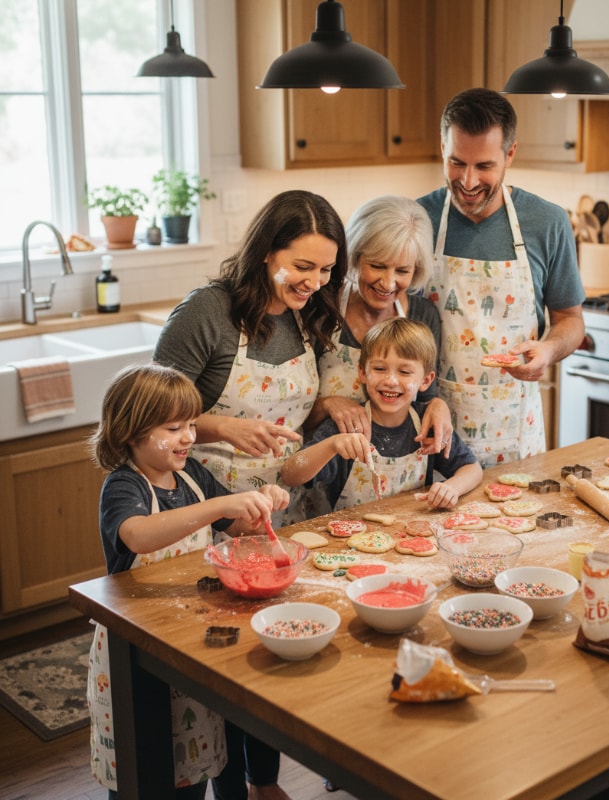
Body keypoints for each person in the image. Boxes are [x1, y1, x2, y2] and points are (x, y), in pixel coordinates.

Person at [153, 189, 348, 800]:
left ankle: (263, 781)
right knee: (217, 660)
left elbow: (300, 405)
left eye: (326, 269)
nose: (315, 282)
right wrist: (221, 426)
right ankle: (224, 783)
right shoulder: (206, 314)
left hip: (281, 512)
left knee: (273, 647)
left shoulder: (309, 314)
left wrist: (334, 404)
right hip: (205, 514)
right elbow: (151, 413)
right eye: (303, 266)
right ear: (267, 254)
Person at [86, 363, 290, 800]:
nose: (189, 437)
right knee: (146, 767)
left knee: (190, 763)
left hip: (188, 638)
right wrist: (216, 508)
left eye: (193, 425)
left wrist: (260, 507)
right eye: (174, 427)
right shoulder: (124, 487)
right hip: (135, 646)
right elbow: (138, 535)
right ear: (132, 432)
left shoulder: (193, 476)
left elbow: (235, 530)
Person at [417, 87, 585, 467]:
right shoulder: (417, 220)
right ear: (442, 148)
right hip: (429, 433)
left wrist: (548, 349)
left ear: (510, 153)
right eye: (456, 162)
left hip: (513, 435)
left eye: (484, 166)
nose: (469, 180)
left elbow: (570, 320)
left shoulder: (548, 222)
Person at [304, 194, 453, 463]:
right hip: (325, 473)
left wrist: (438, 405)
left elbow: (424, 396)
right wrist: (328, 405)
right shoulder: (322, 307)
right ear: (355, 256)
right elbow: (291, 412)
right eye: (377, 266)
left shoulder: (422, 315)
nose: (388, 282)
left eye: (402, 271)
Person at [281, 317, 482, 511]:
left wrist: (452, 488)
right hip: (351, 538)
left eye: (404, 372)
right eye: (379, 369)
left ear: (426, 380)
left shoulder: (428, 424)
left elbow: (472, 469)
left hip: (414, 537)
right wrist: (332, 445)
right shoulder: (346, 427)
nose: (391, 381)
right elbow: (291, 475)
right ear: (362, 372)